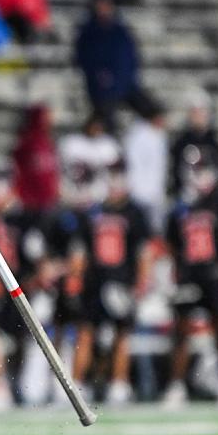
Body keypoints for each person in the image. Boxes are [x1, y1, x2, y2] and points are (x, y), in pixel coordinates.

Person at [163, 155, 218, 408]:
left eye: (204, 168)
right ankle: (176, 385)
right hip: (189, 275)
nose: (200, 175)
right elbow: (171, 244)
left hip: (214, 275)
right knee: (182, 332)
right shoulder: (180, 206)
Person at [72, 161, 152, 406]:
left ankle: (118, 384)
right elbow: (81, 251)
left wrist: (141, 281)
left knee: (121, 334)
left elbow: (143, 250)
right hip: (95, 280)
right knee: (86, 333)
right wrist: (76, 278)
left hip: (121, 281)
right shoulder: (93, 211)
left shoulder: (135, 212)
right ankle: (76, 385)